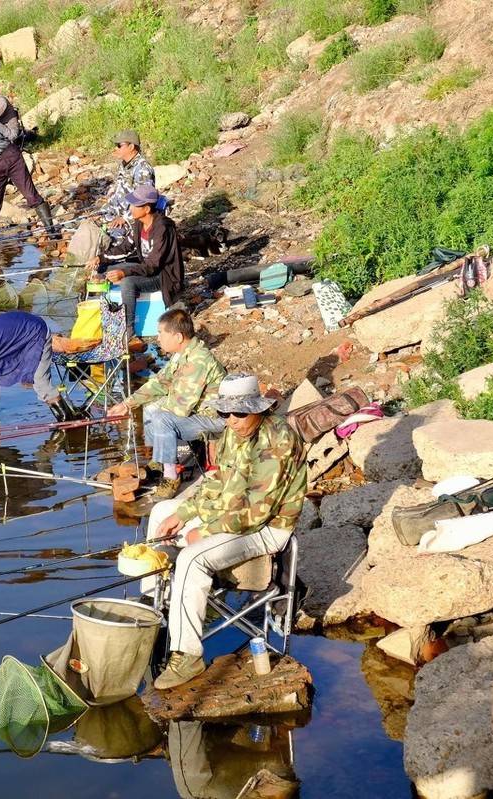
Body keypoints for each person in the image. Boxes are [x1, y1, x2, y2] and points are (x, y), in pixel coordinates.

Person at [140, 373, 306, 691]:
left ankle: (187, 656)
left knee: (191, 558)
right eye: (224, 413)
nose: (231, 420)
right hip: (233, 513)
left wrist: (206, 530)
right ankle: (156, 611)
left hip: (267, 528)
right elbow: (217, 482)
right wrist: (185, 512)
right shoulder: (232, 433)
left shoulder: (276, 441)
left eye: (239, 413)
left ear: (258, 408)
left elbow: (258, 511)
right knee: (162, 511)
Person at [105, 308, 226, 499]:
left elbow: (180, 407)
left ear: (178, 336)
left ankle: (170, 477)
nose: (158, 338)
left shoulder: (199, 360)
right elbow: (160, 383)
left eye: (161, 333)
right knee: (152, 407)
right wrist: (127, 405)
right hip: (197, 412)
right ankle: (158, 461)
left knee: (162, 417)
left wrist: (156, 410)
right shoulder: (181, 354)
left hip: (214, 418)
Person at [100, 185, 184, 335]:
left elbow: (153, 265)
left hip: (164, 276)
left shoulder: (162, 228)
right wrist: (101, 259)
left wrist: (124, 273)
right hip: (147, 269)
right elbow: (125, 247)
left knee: (127, 281)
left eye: (135, 205)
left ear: (146, 209)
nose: (130, 208)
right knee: (106, 270)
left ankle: (128, 329)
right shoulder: (139, 224)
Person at [67, 129, 155, 267]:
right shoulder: (123, 165)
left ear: (131, 146)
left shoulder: (143, 169)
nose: (116, 149)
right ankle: (82, 264)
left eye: (119, 145)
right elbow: (117, 195)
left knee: (111, 238)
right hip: (115, 213)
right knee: (89, 225)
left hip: (131, 220)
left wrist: (125, 218)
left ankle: (107, 265)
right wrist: (102, 212)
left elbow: (145, 203)